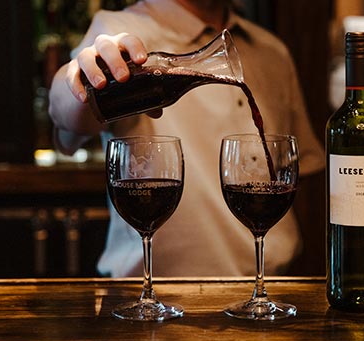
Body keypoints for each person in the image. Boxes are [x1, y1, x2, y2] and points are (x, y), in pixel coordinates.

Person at [49, 0, 324, 277]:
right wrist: (80, 80)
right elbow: (66, 113)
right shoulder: (120, 31)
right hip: (164, 298)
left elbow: (304, 174)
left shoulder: (272, 51)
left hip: (275, 289)